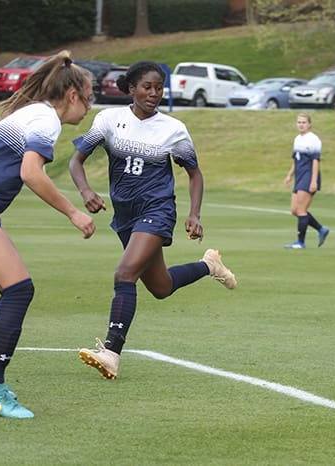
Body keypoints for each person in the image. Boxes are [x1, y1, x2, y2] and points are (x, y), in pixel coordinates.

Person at [69, 61, 237, 380]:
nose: (154, 93)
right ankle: (210, 265)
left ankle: (111, 353)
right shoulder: (108, 120)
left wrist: (194, 214)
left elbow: (194, 174)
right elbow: (77, 161)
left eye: (159, 87)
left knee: (124, 275)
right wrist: (85, 190)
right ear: (132, 88)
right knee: (161, 287)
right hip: (125, 215)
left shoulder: (173, 129)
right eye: (147, 86)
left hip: (157, 209)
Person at [0, 51, 97, 418]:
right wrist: (73, 213)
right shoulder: (44, 119)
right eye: (89, 97)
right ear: (72, 96)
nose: (90, 105)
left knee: (15, 290)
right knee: (18, 290)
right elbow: (31, 173)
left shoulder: (32, 112)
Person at [283, 113, 329, 249]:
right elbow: (296, 160)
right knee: (294, 210)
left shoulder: (313, 140)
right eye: (299, 122)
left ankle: (300, 242)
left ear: (309, 124)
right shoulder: (297, 139)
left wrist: (313, 181)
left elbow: (315, 161)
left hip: (308, 177)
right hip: (299, 177)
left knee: (302, 209)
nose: (301, 124)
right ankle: (321, 229)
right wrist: (289, 175)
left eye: (303, 122)